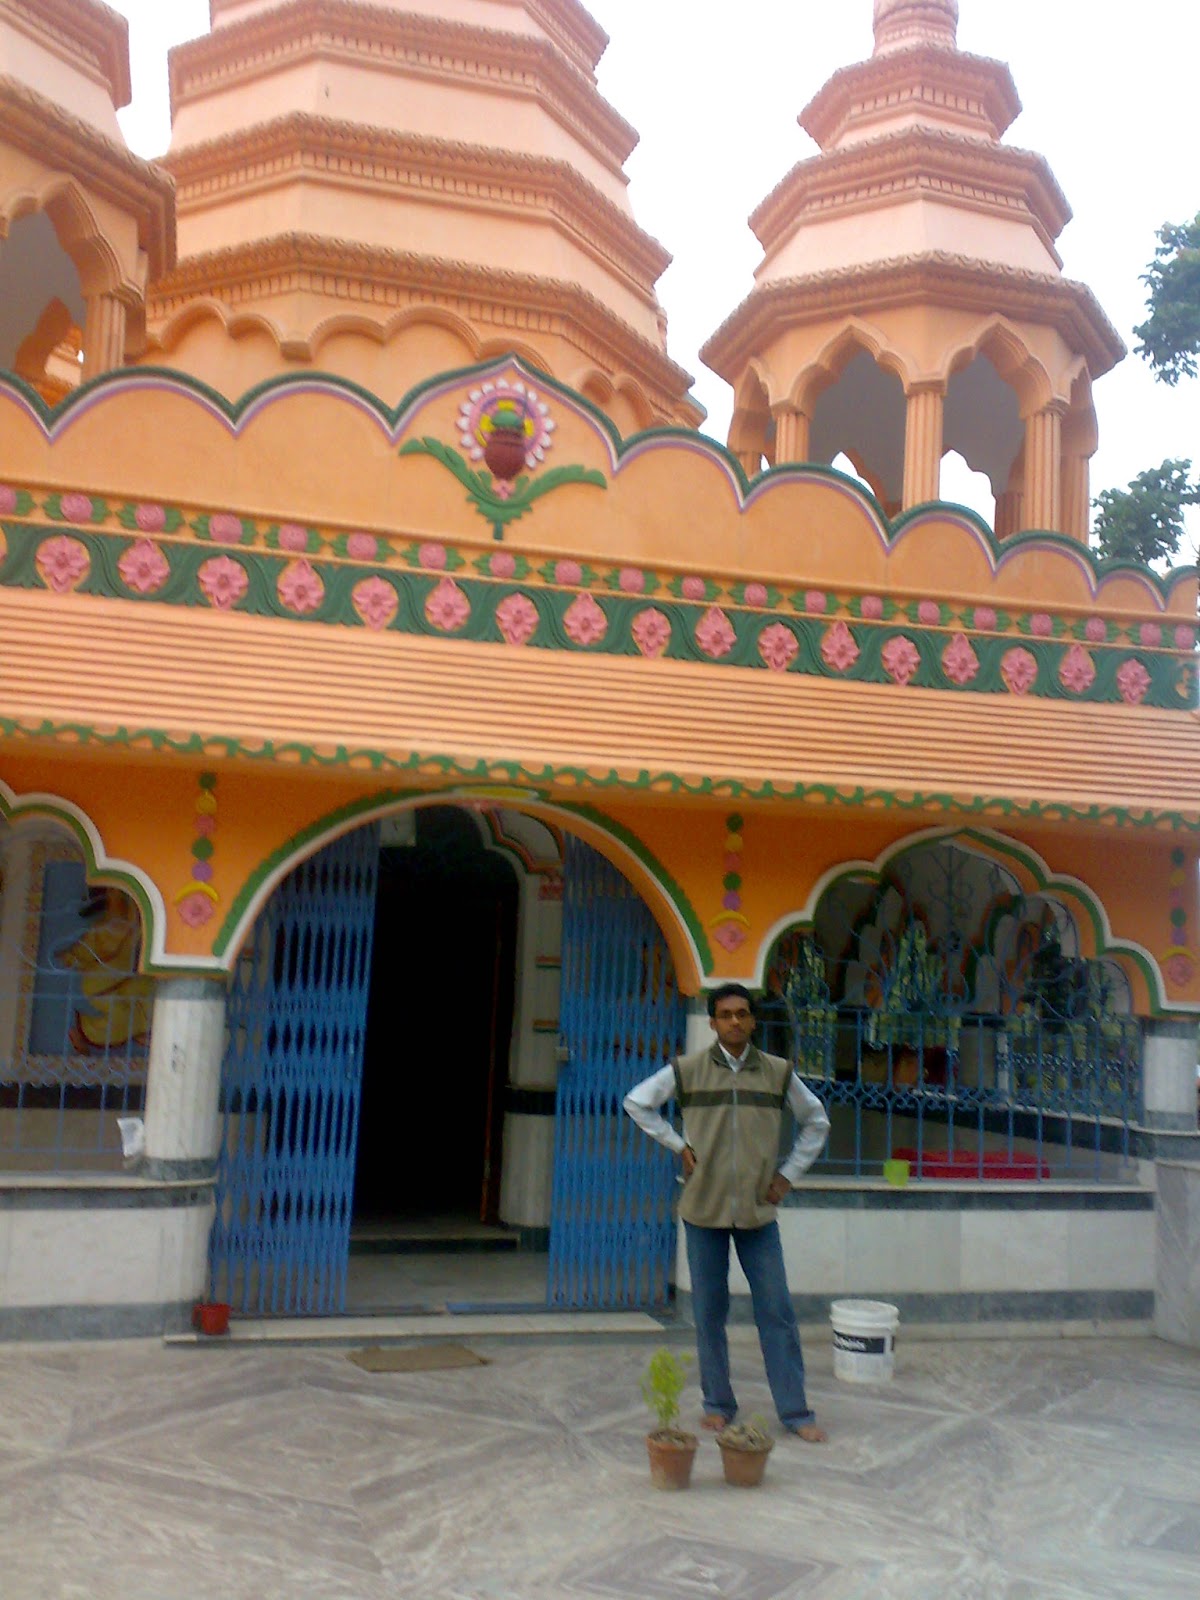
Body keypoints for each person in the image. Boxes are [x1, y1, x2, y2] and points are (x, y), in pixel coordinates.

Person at [624, 982, 831, 1442]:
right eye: (725, 1015)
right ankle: (717, 1403)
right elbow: (637, 1103)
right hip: (704, 1211)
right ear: (713, 1022)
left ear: (753, 1021)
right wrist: (677, 1145)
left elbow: (816, 1121)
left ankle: (796, 1411)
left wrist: (788, 1174)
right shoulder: (688, 1070)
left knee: (776, 1311)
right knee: (709, 1311)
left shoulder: (778, 1073)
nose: (734, 1022)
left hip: (759, 1213)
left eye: (742, 1014)